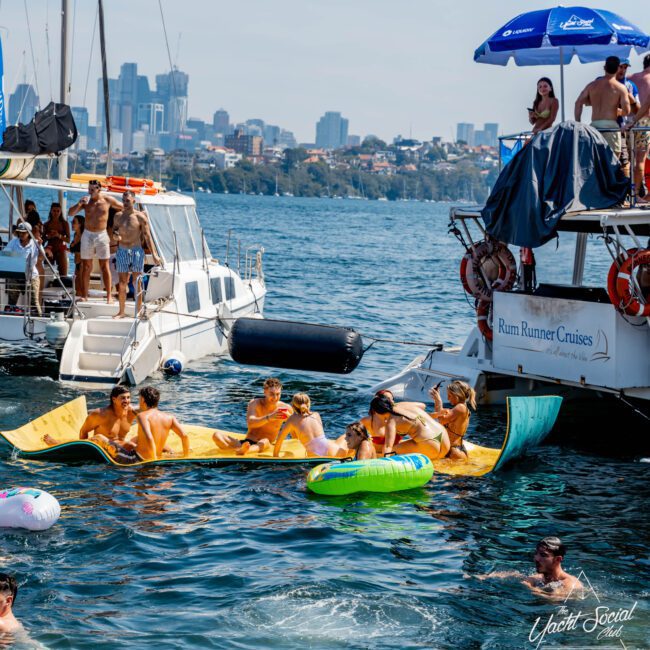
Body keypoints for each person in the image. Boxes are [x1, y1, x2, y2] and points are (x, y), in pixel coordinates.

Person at [68, 180, 123, 302]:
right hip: (87, 235)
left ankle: (109, 296)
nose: (90, 191)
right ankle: (85, 295)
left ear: (99, 189)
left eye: (92, 189)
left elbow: (123, 207)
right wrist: (79, 203)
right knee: (86, 266)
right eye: (89, 189)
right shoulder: (86, 202)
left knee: (105, 266)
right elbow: (70, 213)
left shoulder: (108, 200)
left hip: (101, 235)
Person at [477, 537, 584, 600]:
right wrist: (485, 577)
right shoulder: (539, 578)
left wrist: (530, 587)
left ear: (558, 559)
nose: (536, 558)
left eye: (543, 555)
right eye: (536, 554)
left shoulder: (571, 583)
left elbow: (553, 600)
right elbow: (515, 574)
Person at [112, 190, 160, 318]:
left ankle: (138, 311)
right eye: (123, 200)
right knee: (122, 282)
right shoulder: (117, 216)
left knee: (137, 281)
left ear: (133, 201)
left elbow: (147, 236)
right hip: (122, 250)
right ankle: (121, 312)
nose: (125, 203)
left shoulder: (140, 217)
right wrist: (115, 236)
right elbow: (114, 232)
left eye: (127, 201)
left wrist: (154, 255)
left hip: (136, 251)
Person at [212, 377, 291, 455]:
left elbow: (297, 425)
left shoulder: (285, 408)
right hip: (247, 442)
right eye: (272, 394)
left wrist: (291, 421)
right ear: (265, 392)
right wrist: (270, 417)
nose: (275, 397)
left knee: (265, 441)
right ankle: (240, 450)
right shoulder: (255, 403)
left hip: (265, 445)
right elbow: (251, 423)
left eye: (278, 394)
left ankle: (242, 451)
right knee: (216, 435)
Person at [110, 387, 189, 464]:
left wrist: (153, 461)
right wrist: (186, 456)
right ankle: (171, 452)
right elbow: (184, 436)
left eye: (139, 399)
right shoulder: (170, 417)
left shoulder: (142, 416)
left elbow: (149, 437)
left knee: (100, 438)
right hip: (158, 456)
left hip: (138, 459)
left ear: (143, 400)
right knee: (136, 438)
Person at [43, 385, 136, 449]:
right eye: (123, 398)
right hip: (102, 449)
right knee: (131, 445)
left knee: (137, 442)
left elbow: (148, 411)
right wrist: (84, 451)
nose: (126, 401)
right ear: (114, 399)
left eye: (128, 397)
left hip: (120, 449)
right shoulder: (100, 414)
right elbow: (83, 431)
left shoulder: (131, 412)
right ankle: (57, 443)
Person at [361, 394, 450, 460]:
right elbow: (423, 405)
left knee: (392, 450)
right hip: (445, 440)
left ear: (376, 412)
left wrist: (383, 461)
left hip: (430, 445)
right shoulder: (402, 405)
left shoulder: (391, 421)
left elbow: (388, 447)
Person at [575, 55, 631, 159]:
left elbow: (578, 103)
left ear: (604, 68)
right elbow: (627, 111)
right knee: (612, 164)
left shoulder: (592, 85)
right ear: (618, 68)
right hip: (611, 127)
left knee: (596, 163)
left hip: (594, 127)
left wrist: (578, 123)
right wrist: (618, 112)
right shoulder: (620, 88)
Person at [273, 393, 345, 458]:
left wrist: (275, 456)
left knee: (340, 441)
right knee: (344, 437)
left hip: (313, 455)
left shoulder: (291, 420)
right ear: (309, 404)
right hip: (330, 451)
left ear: (293, 406)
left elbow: (280, 440)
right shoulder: (316, 415)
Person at [429, 380, 476, 460]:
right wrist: (436, 400)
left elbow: (442, 420)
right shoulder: (458, 409)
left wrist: (439, 401)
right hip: (454, 450)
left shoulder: (461, 408)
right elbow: (440, 415)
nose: (448, 398)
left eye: (450, 396)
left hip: (454, 452)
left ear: (457, 395)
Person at [4, 222, 42, 316]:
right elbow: (5, 254)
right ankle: (11, 319)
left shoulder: (35, 243)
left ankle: (39, 318)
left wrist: (40, 246)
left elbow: (42, 258)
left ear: (29, 233)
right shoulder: (13, 242)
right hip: (16, 275)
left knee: (34, 303)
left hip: (31, 276)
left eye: (23, 232)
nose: (21, 234)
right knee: (12, 302)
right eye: (19, 232)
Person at [628, 53, 650, 200]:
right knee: (640, 161)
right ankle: (637, 195)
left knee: (628, 161)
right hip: (645, 122)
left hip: (628, 121)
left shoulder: (630, 77)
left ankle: (627, 194)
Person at [615, 58, 641, 178]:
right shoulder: (602, 82)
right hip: (610, 127)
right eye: (621, 66)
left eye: (625, 67)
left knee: (629, 161)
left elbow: (638, 110)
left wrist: (630, 99)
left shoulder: (630, 85)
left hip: (626, 127)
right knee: (621, 160)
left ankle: (630, 191)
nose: (623, 70)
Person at [43, 202, 70, 277]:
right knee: (47, 272)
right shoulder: (46, 224)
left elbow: (68, 240)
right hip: (50, 248)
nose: (56, 213)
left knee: (63, 274)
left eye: (58, 211)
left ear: (60, 212)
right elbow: (43, 240)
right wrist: (48, 237)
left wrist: (59, 235)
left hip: (60, 248)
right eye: (54, 211)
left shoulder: (64, 224)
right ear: (51, 211)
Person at [69, 214, 85, 297]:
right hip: (77, 263)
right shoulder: (75, 235)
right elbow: (75, 249)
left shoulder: (84, 236)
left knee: (81, 287)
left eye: (74, 222)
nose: (72, 224)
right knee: (76, 287)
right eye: (72, 222)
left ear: (80, 224)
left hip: (82, 263)